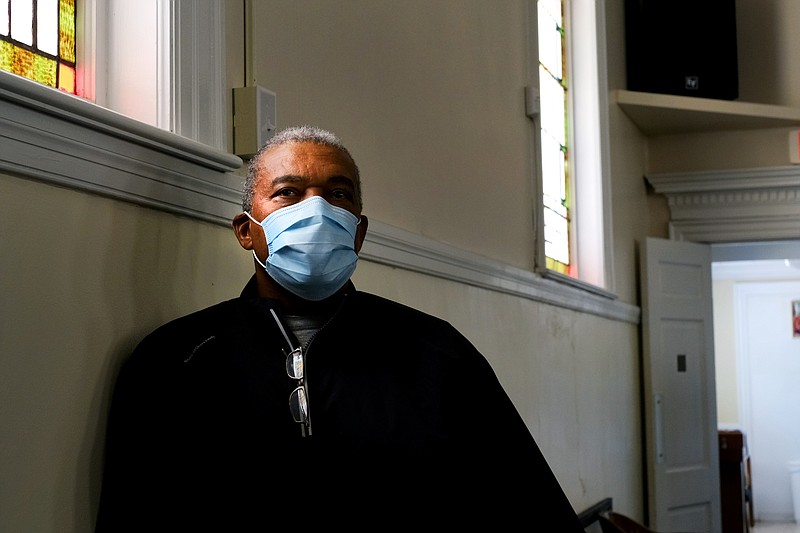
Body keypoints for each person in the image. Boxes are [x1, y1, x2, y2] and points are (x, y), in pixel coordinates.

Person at [95, 125, 585, 531]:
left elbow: (527, 506)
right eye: (287, 192)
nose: (317, 209)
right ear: (246, 230)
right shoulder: (175, 359)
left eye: (338, 194)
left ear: (360, 231)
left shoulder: (437, 353)